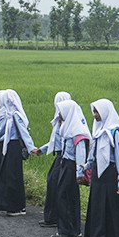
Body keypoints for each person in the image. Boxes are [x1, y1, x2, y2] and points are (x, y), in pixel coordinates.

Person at [0, 89, 38, 216]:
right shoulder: (9, 115)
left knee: (13, 176)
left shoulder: (16, 115)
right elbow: (4, 130)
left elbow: (24, 132)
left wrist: (31, 147)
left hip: (14, 147)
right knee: (7, 176)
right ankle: (10, 204)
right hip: (8, 147)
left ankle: (18, 207)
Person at [83, 99, 119, 237]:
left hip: (110, 173)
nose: (95, 115)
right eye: (94, 112)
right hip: (97, 173)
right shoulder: (97, 130)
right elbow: (93, 152)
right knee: (96, 204)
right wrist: (87, 166)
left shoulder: (114, 133)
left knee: (109, 206)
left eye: (98, 112)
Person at [48, 99, 90, 237]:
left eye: (61, 111)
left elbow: (81, 154)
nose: (59, 114)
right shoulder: (68, 128)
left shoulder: (77, 132)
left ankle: (67, 231)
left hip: (71, 167)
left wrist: (79, 173)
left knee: (65, 197)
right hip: (66, 164)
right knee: (68, 197)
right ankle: (73, 229)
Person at [39, 92, 73, 226]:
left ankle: (54, 217)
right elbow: (54, 141)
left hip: (63, 157)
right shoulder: (59, 119)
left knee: (55, 184)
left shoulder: (68, 122)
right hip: (59, 156)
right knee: (53, 183)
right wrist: (42, 149)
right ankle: (52, 217)